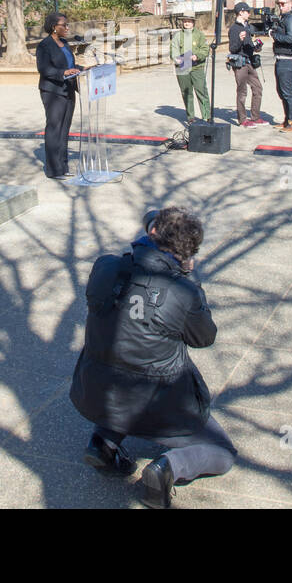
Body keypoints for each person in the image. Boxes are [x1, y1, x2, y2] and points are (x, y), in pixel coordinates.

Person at [70, 206, 236, 509]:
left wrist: (151, 237)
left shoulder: (105, 267)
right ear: (187, 254)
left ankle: (102, 444)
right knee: (223, 452)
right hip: (161, 405)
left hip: (97, 392)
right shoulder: (184, 290)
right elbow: (204, 337)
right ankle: (166, 468)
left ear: (152, 233)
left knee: (123, 372)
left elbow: (136, 262)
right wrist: (189, 278)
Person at [36, 12, 82, 179]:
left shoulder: (64, 43)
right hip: (53, 92)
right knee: (55, 128)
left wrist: (82, 69)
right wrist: (63, 72)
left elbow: (70, 64)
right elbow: (44, 69)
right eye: (64, 25)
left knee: (64, 129)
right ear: (54, 27)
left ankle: (63, 166)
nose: (67, 28)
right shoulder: (44, 46)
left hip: (68, 89)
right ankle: (53, 169)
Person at [227, 2, 265, 127]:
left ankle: (255, 117)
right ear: (240, 12)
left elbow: (249, 46)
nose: (249, 13)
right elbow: (233, 48)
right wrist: (240, 39)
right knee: (242, 91)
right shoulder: (234, 29)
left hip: (249, 61)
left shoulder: (247, 27)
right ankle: (242, 119)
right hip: (239, 63)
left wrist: (256, 47)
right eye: (247, 11)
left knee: (258, 88)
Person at [270, 0, 292, 132]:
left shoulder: (291, 19)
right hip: (281, 59)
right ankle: (287, 120)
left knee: (288, 92)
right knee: (281, 91)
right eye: (279, 4)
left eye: (283, 4)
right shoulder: (284, 18)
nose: (281, 7)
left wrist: (274, 35)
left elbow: (291, 38)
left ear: (290, 3)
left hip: (288, 60)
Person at [169, 12, 210, 123]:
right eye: (185, 21)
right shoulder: (178, 35)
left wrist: (197, 56)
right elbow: (173, 49)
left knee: (201, 91)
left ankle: (207, 116)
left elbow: (205, 49)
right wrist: (176, 58)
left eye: (189, 21)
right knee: (186, 93)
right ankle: (190, 117)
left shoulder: (200, 35)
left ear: (193, 22)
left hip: (197, 67)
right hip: (182, 67)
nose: (187, 23)